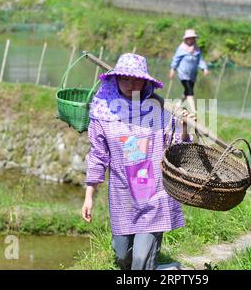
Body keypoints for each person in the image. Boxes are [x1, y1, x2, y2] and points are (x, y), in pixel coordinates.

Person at [81, 53, 193, 270]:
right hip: (123, 196)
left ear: (145, 82)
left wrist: (186, 126)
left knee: (141, 262)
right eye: (125, 79)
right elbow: (97, 156)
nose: (130, 84)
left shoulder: (159, 112)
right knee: (123, 256)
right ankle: (166, 268)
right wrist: (89, 196)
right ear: (115, 80)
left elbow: (177, 147)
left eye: (136, 79)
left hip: (155, 195)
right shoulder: (104, 114)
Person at [169, 29, 209, 114]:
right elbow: (176, 59)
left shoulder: (196, 49)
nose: (192, 40)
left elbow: (200, 60)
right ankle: (193, 110)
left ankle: (178, 104)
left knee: (187, 91)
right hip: (183, 73)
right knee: (190, 91)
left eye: (193, 38)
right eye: (190, 38)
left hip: (192, 74)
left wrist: (204, 68)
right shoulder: (181, 49)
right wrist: (172, 69)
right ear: (186, 39)